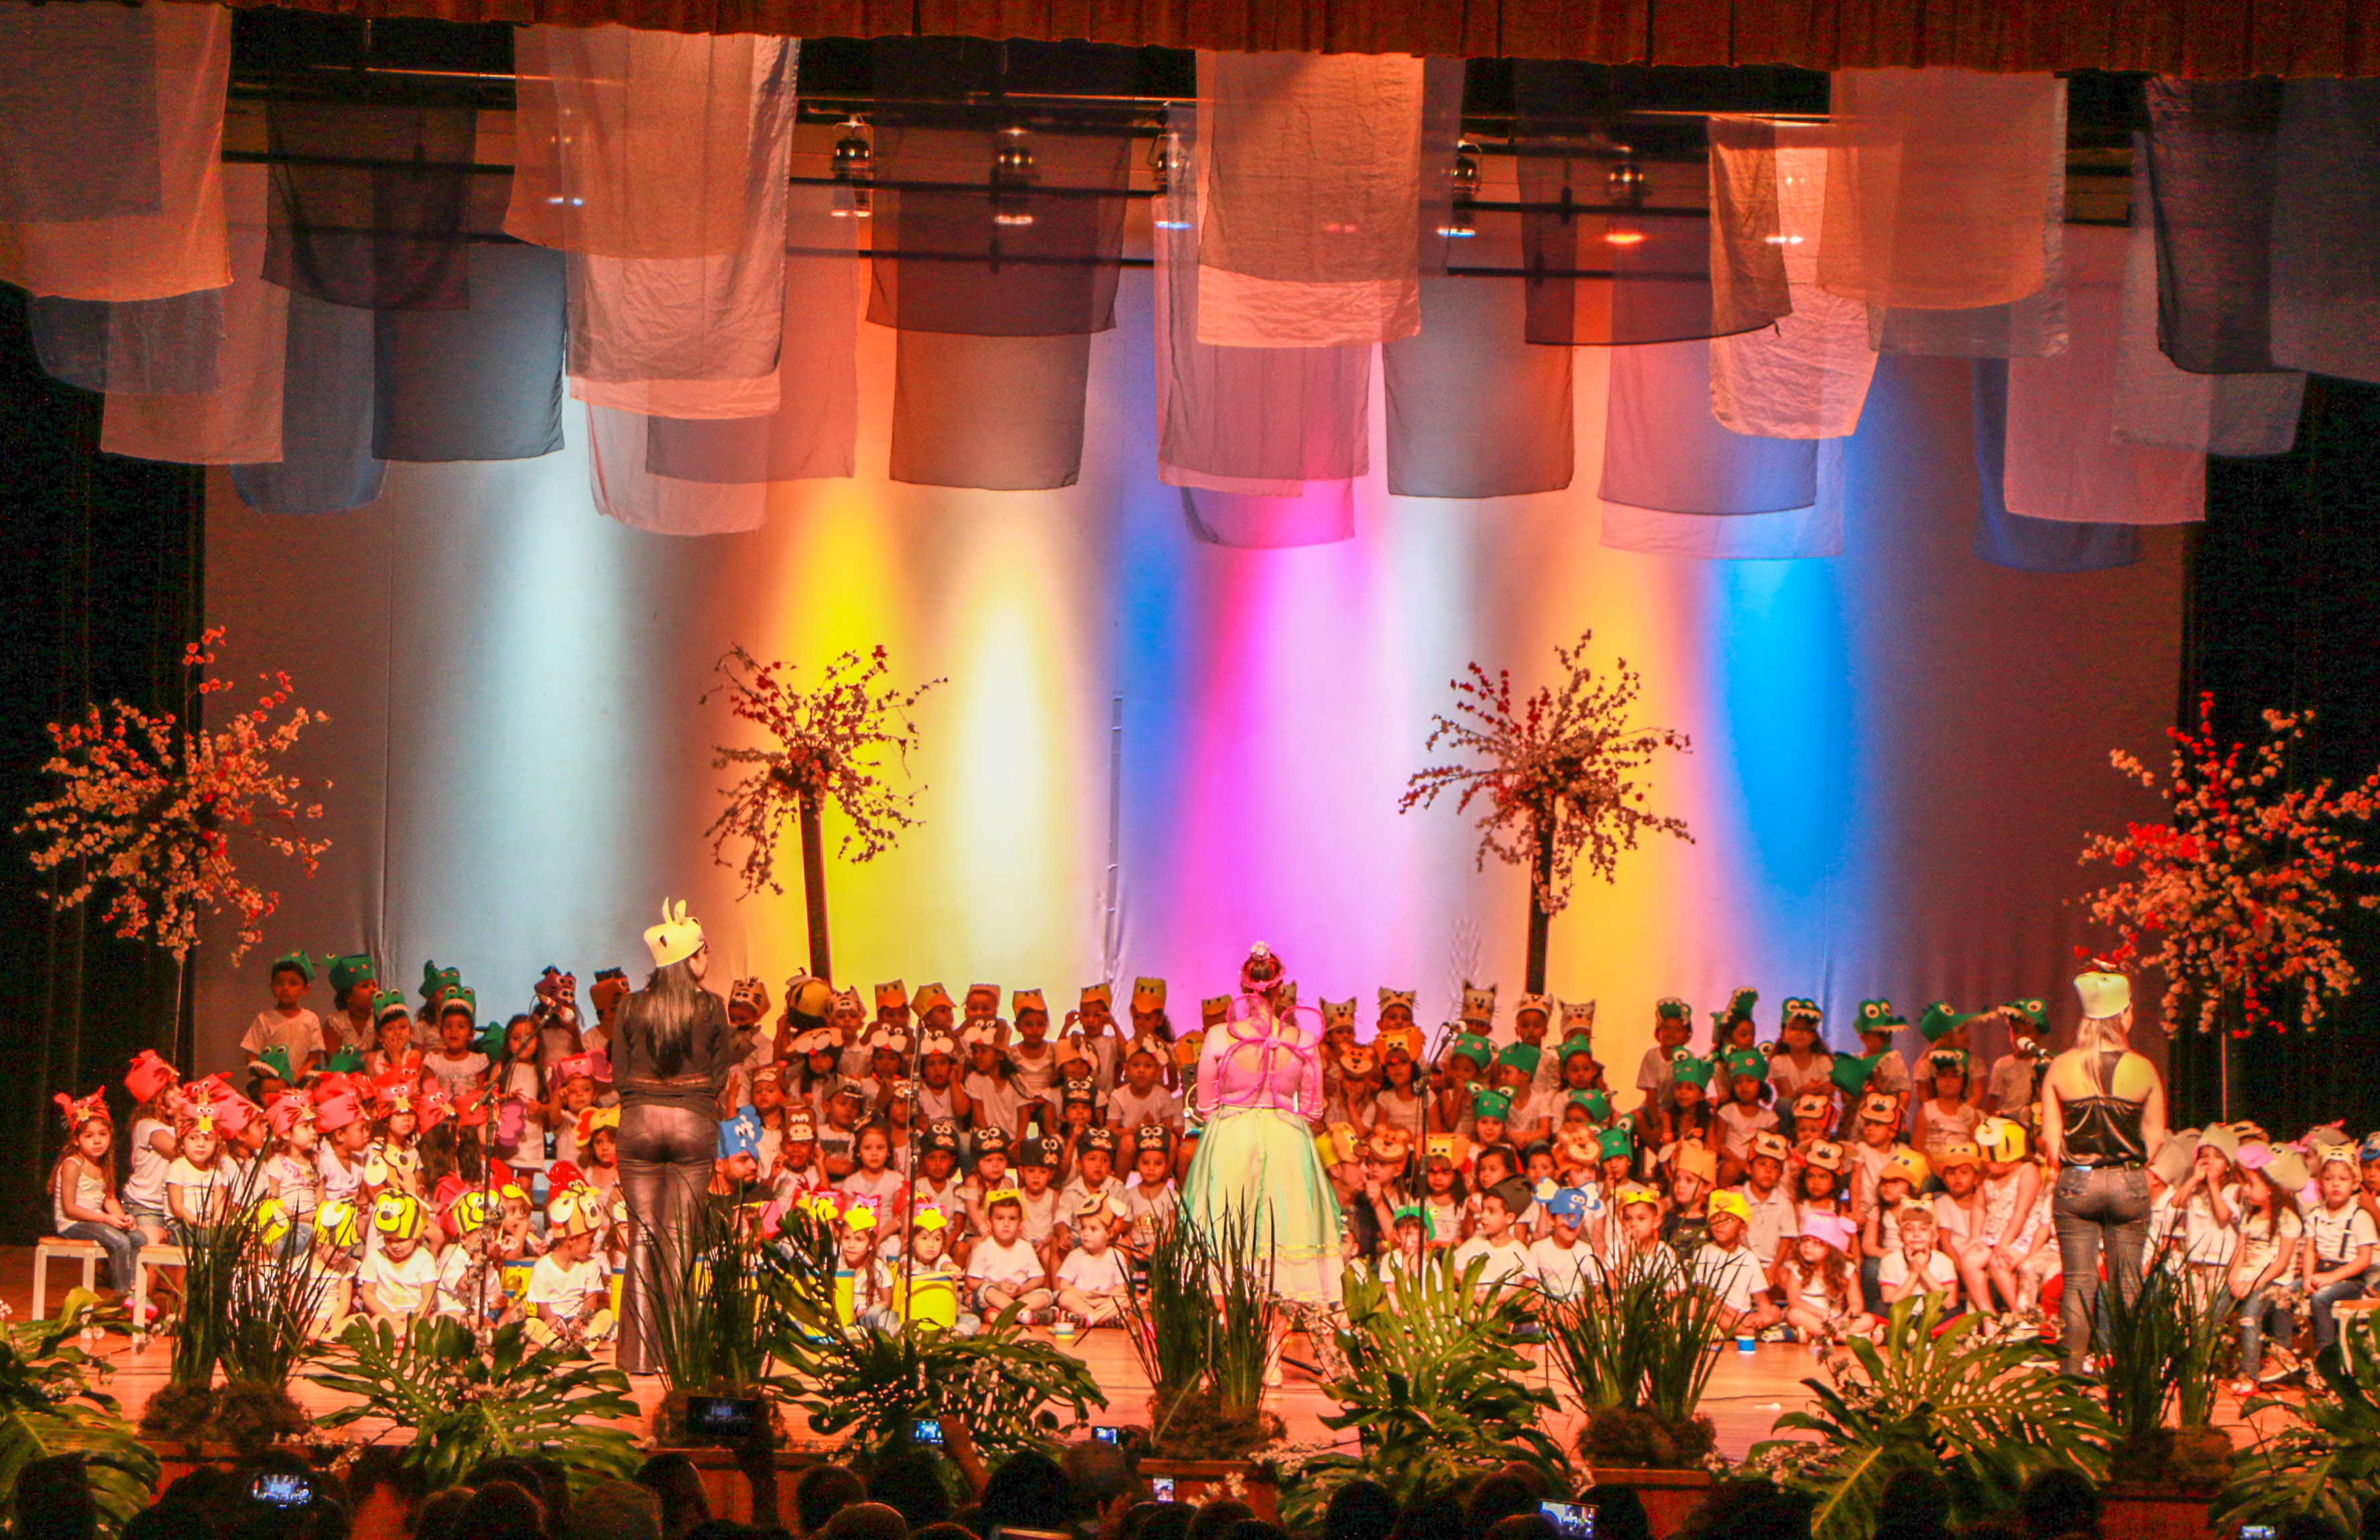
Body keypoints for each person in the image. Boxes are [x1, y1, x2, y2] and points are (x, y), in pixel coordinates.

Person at [613, 899, 740, 1374]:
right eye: (704, 950)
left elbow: (619, 1074)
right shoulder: (711, 1006)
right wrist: (690, 1101)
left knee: (642, 1236)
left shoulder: (630, 1004)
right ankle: (678, 1356)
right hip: (692, 1122)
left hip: (639, 1121)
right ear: (693, 956)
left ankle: (638, 1356)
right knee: (681, 1238)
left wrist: (645, 1100)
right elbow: (719, 1076)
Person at [1180, 944, 1345, 1307]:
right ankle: (1272, 1352)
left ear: (1243, 989)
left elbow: (1204, 1104)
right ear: (1279, 989)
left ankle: (1229, 1341)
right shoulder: (1303, 1041)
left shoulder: (1219, 1036)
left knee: (1226, 1231)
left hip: (1231, 1137)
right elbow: (1314, 1110)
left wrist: (1236, 1115)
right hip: (1287, 1138)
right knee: (1283, 1233)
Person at [2039, 967, 2167, 1374]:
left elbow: (2048, 1140)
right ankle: (2132, 1380)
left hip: (2078, 1180)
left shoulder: (2060, 1067)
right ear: (2125, 1015)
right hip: (2129, 1180)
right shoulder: (2144, 1069)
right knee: (2127, 1284)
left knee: (2078, 1282)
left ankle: (2072, 1376)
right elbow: (2157, 1141)